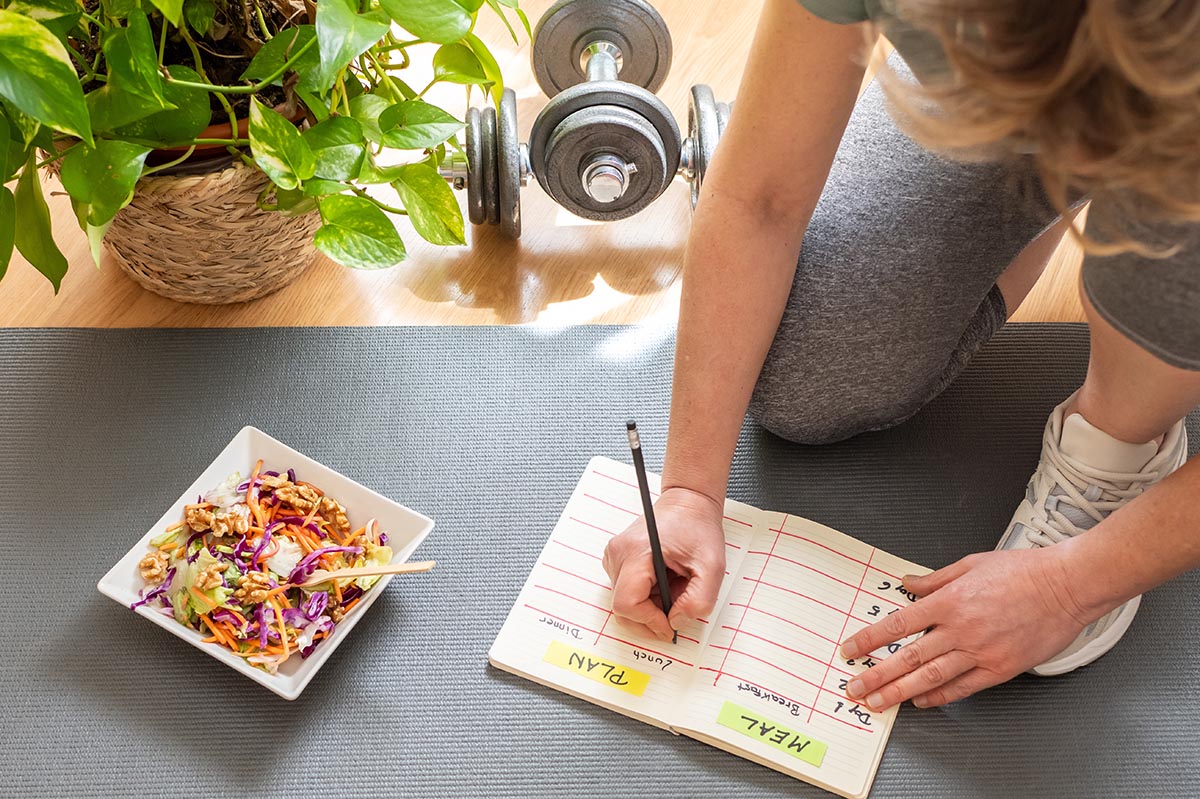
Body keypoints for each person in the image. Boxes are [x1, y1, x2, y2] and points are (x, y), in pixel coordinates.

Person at [602, 0, 1200, 711]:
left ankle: (1120, 436)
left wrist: (1068, 583)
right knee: (811, 378)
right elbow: (758, 198)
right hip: (1026, 93)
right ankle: (1053, 186)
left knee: (1168, 271)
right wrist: (689, 490)